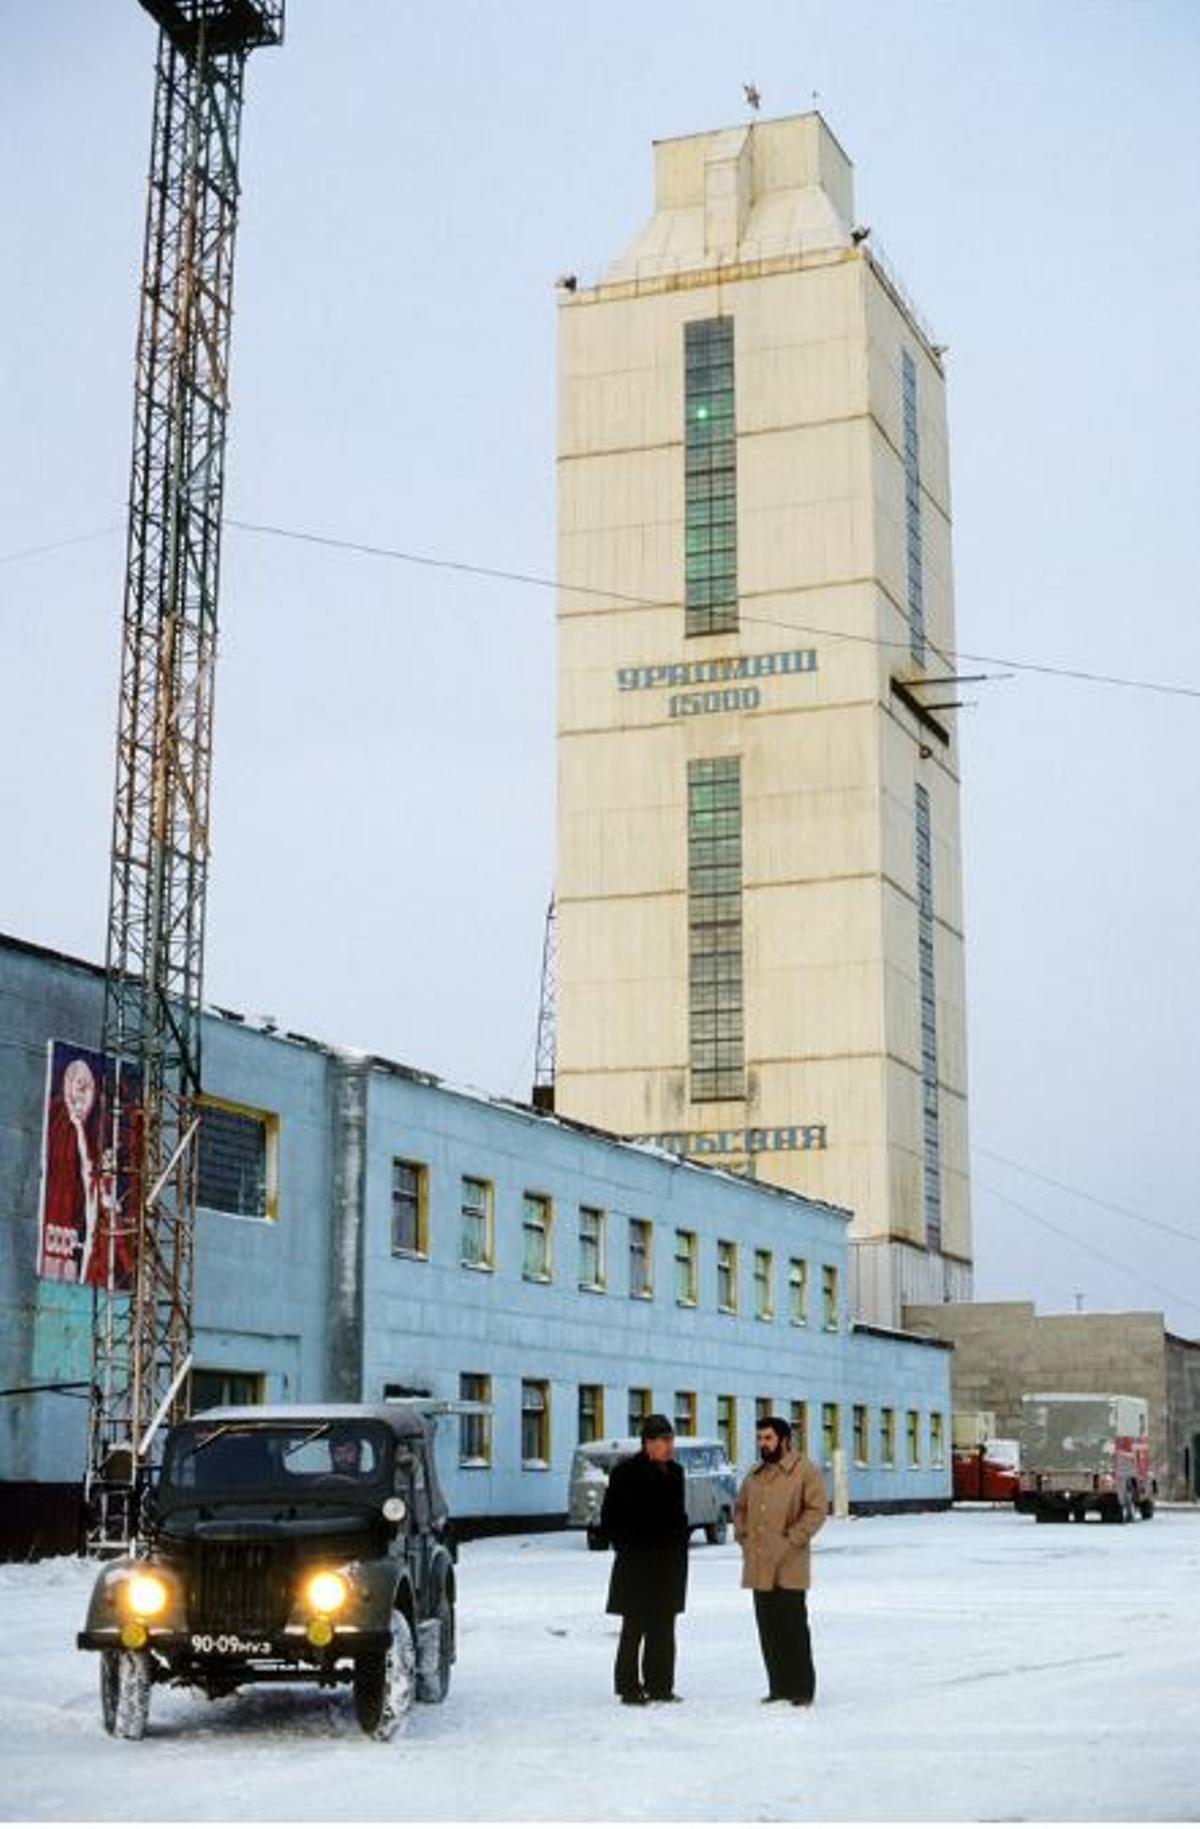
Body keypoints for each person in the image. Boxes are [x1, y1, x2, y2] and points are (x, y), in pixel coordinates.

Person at [734, 1414, 829, 1707]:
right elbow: (739, 1510)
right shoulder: (754, 1474)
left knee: (793, 1628)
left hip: (789, 1564)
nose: (763, 1444)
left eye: (768, 1438)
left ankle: (801, 1688)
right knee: (768, 1628)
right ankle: (778, 1686)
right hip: (759, 1564)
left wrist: (793, 1539)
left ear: (784, 1440)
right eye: (760, 1439)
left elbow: (816, 1510)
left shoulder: (804, 1471)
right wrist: (744, 1537)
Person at [599, 1413, 689, 1705]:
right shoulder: (626, 1473)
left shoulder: (675, 1472)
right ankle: (628, 1687)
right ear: (647, 1443)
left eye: (671, 1439)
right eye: (663, 1440)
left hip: (669, 1564)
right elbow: (610, 1518)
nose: (669, 1446)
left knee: (664, 1626)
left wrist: (680, 1542)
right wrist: (628, 1547)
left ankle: (661, 1685)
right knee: (634, 1626)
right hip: (637, 1563)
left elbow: (678, 1515)